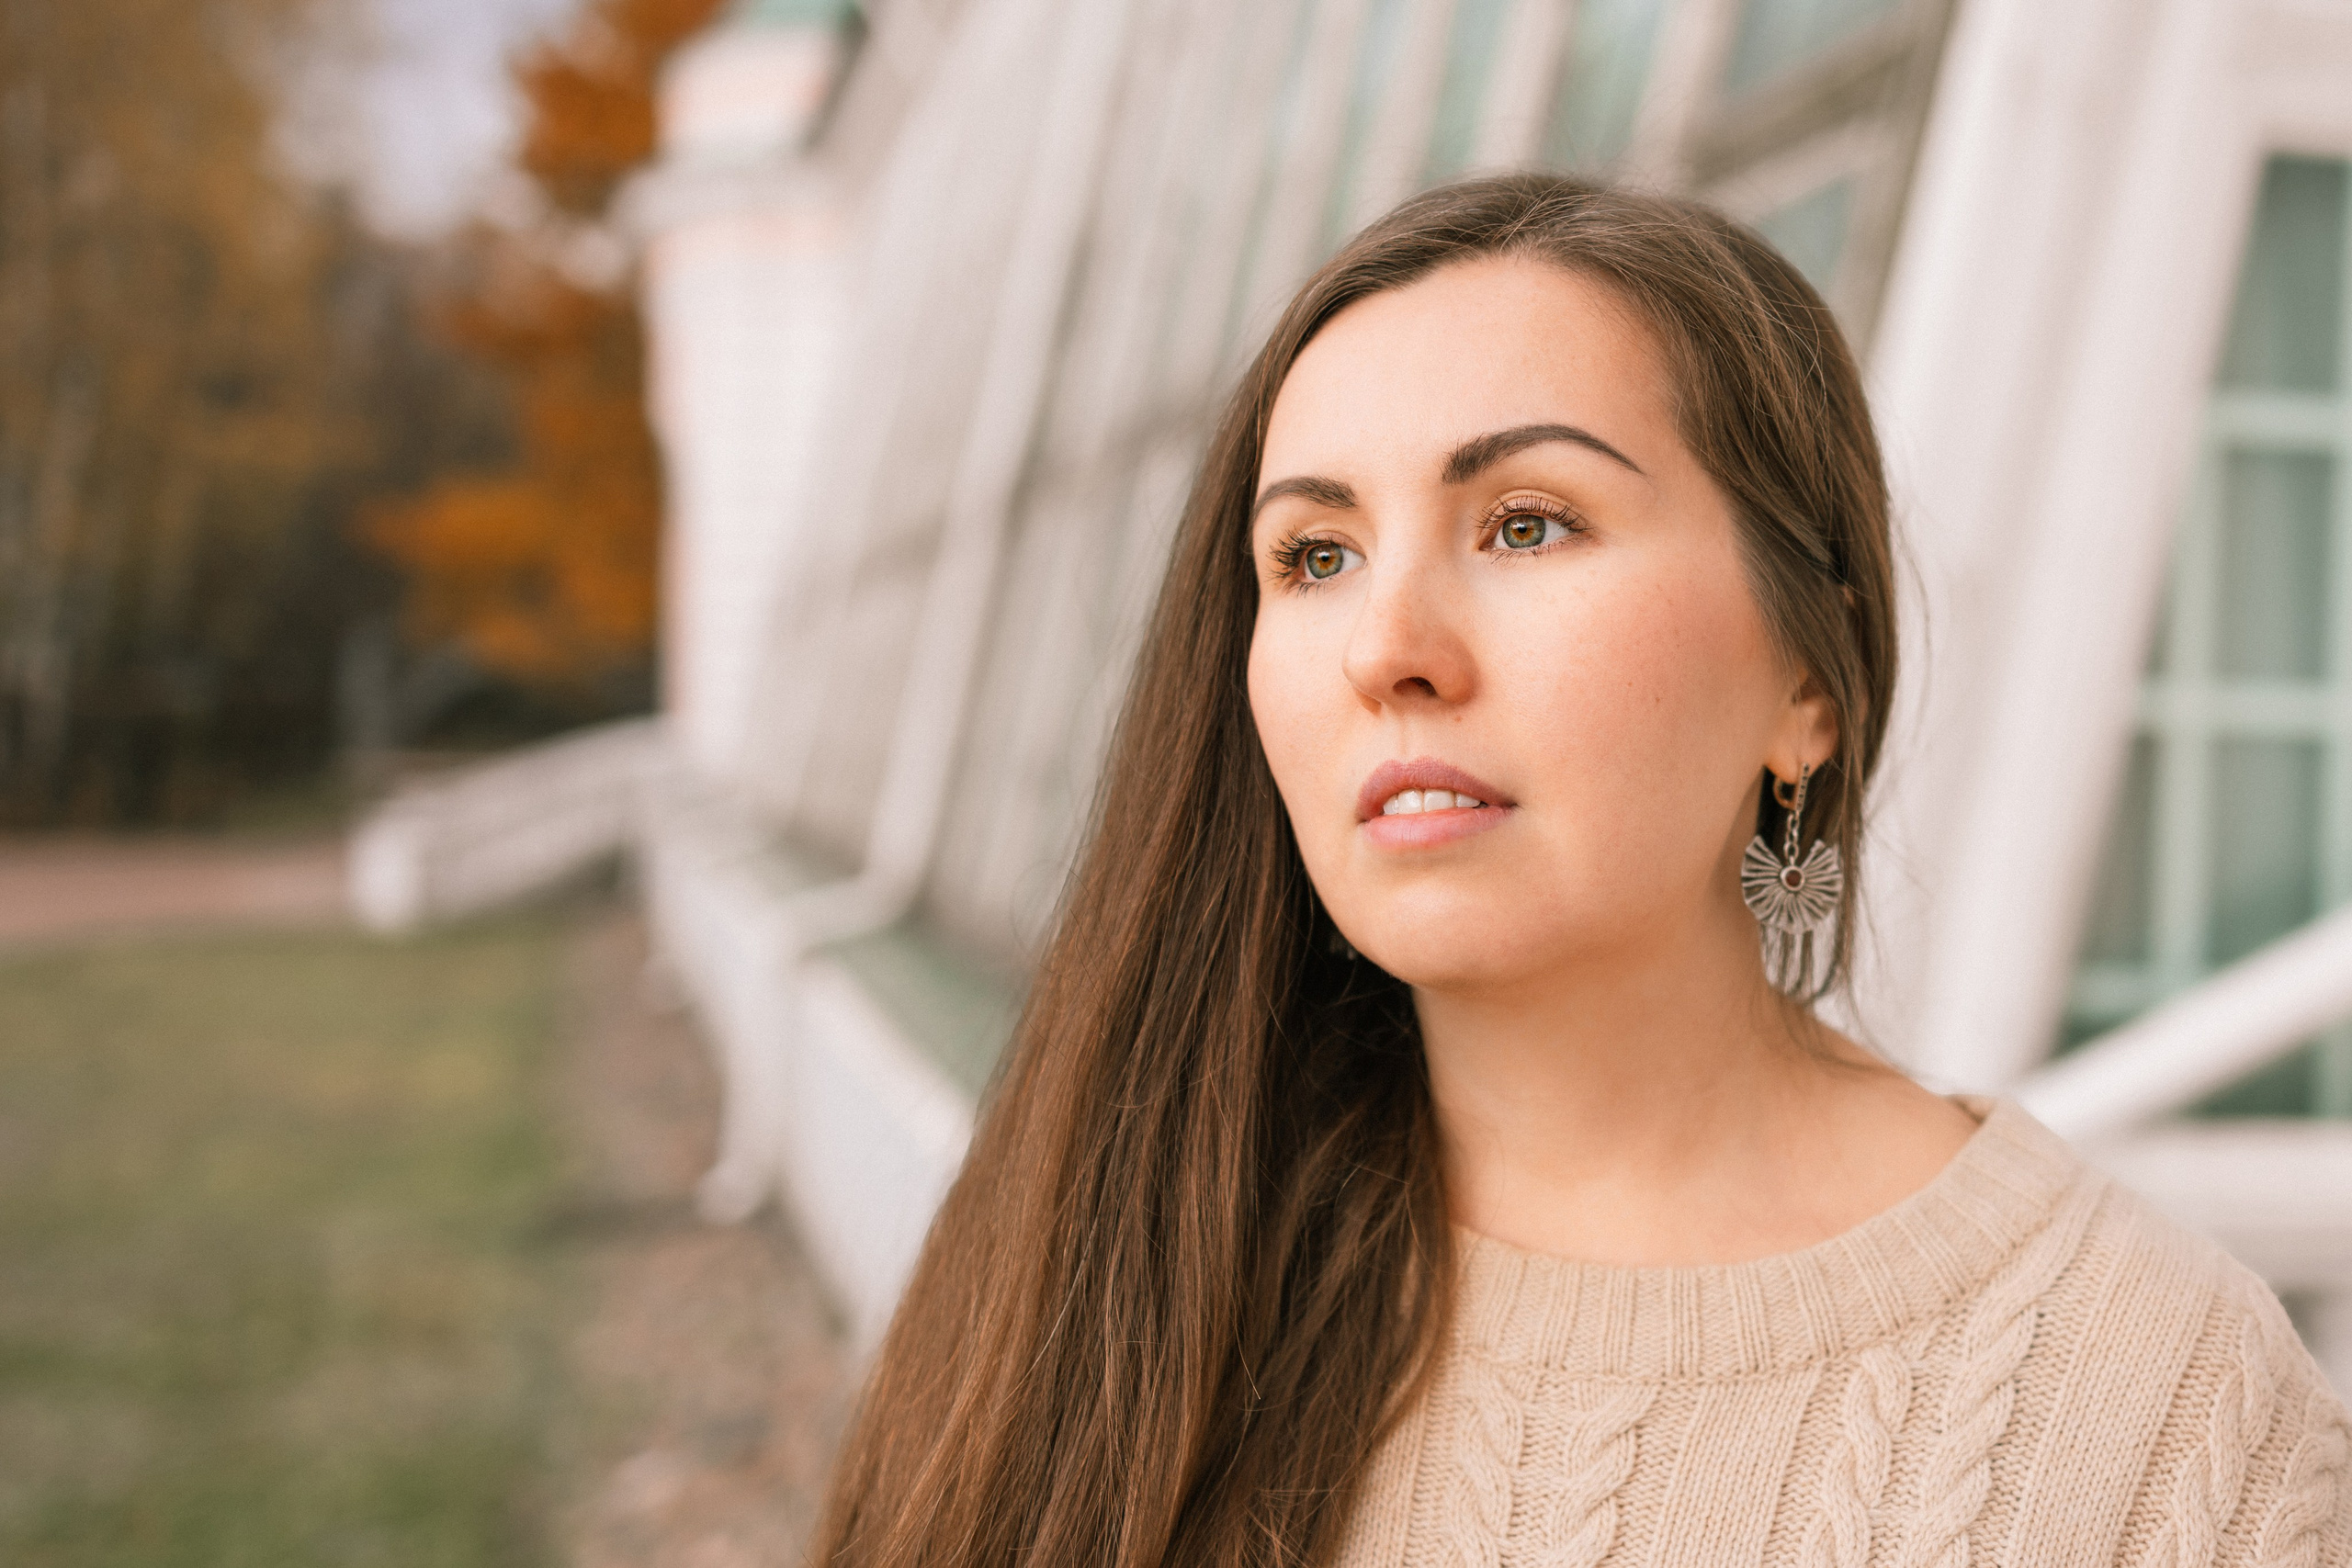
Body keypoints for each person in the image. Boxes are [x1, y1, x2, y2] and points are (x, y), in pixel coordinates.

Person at [810, 175, 2351, 1566]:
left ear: (1805, 688)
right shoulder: (1097, 1264)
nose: (1390, 650)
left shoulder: (2163, 1414)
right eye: (1315, 557)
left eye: (1528, 524)